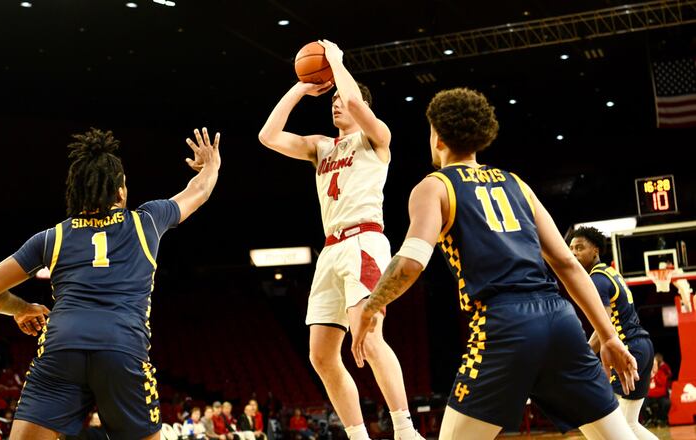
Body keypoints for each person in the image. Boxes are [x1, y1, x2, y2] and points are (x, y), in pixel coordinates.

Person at [351, 88, 640, 439]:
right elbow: (566, 262)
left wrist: (371, 307)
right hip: (560, 320)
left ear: (437, 137)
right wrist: (609, 337)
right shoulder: (516, 183)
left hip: (503, 324)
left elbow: (410, 263)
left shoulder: (435, 186)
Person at [0, 127, 222, 440]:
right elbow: (198, 191)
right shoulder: (147, 222)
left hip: (62, 347)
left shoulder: (53, 237)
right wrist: (210, 165)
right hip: (122, 348)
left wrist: (21, 308)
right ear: (120, 191)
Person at [258, 39, 419, 440]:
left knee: (372, 334)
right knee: (321, 355)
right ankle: (357, 435)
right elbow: (268, 135)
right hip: (330, 250)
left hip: (364, 241)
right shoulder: (320, 146)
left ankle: (405, 429)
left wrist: (337, 62)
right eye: (333, 101)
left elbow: (358, 104)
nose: (336, 104)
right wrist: (302, 86)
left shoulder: (376, 137)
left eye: (342, 100)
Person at [569, 226, 657, 439]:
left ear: (596, 250)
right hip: (643, 346)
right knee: (630, 424)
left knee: (615, 426)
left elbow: (604, 327)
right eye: (571, 248)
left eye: (580, 248)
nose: (574, 253)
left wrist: (585, 352)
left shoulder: (597, 279)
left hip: (627, 348)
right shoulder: (611, 272)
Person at [646, 355, 672, 426]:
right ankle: (648, 419)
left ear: (657, 365)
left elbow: (662, 384)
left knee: (667, 403)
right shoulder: (647, 374)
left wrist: (655, 374)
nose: (653, 366)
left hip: (660, 396)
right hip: (649, 396)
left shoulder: (661, 373)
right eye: (652, 364)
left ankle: (662, 419)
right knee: (641, 403)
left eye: (654, 364)